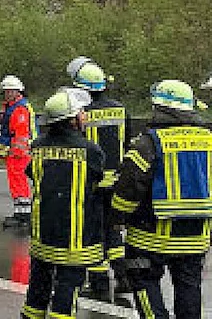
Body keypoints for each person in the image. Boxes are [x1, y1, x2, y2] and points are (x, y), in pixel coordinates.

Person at [111, 79, 212, 319]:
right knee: (189, 287)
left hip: (151, 235)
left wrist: (117, 218)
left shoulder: (147, 143)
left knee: (143, 280)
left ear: (160, 108)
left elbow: (129, 189)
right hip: (196, 236)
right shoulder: (208, 140)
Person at [21, 86, 104, 319]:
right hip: (75, 239)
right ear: (72, 119)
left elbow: (32, 174)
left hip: (42, 234)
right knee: (67, 293)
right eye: (81, 113)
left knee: (37, 291)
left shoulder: (38, 146)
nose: (85, 116)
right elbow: (100, 188)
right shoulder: (90, 151)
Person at [67, 56, 129, 295]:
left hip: (91, 182)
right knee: (113, 230)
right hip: (117, 182)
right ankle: (123, 277)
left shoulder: (80, 114)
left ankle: (99, 281)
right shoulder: (121, 110)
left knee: (93, 234)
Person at [0, 75, 36, 229]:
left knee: (19, 183)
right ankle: (20, 213)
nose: (7, 94)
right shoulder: (14, 106)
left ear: (18, 92)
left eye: (10, 91)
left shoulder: (19, 109)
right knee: (17, 183)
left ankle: (23, 216)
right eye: (6, 91)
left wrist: (13, 152)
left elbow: (20, 135)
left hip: (19, 154)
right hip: (17, 153)